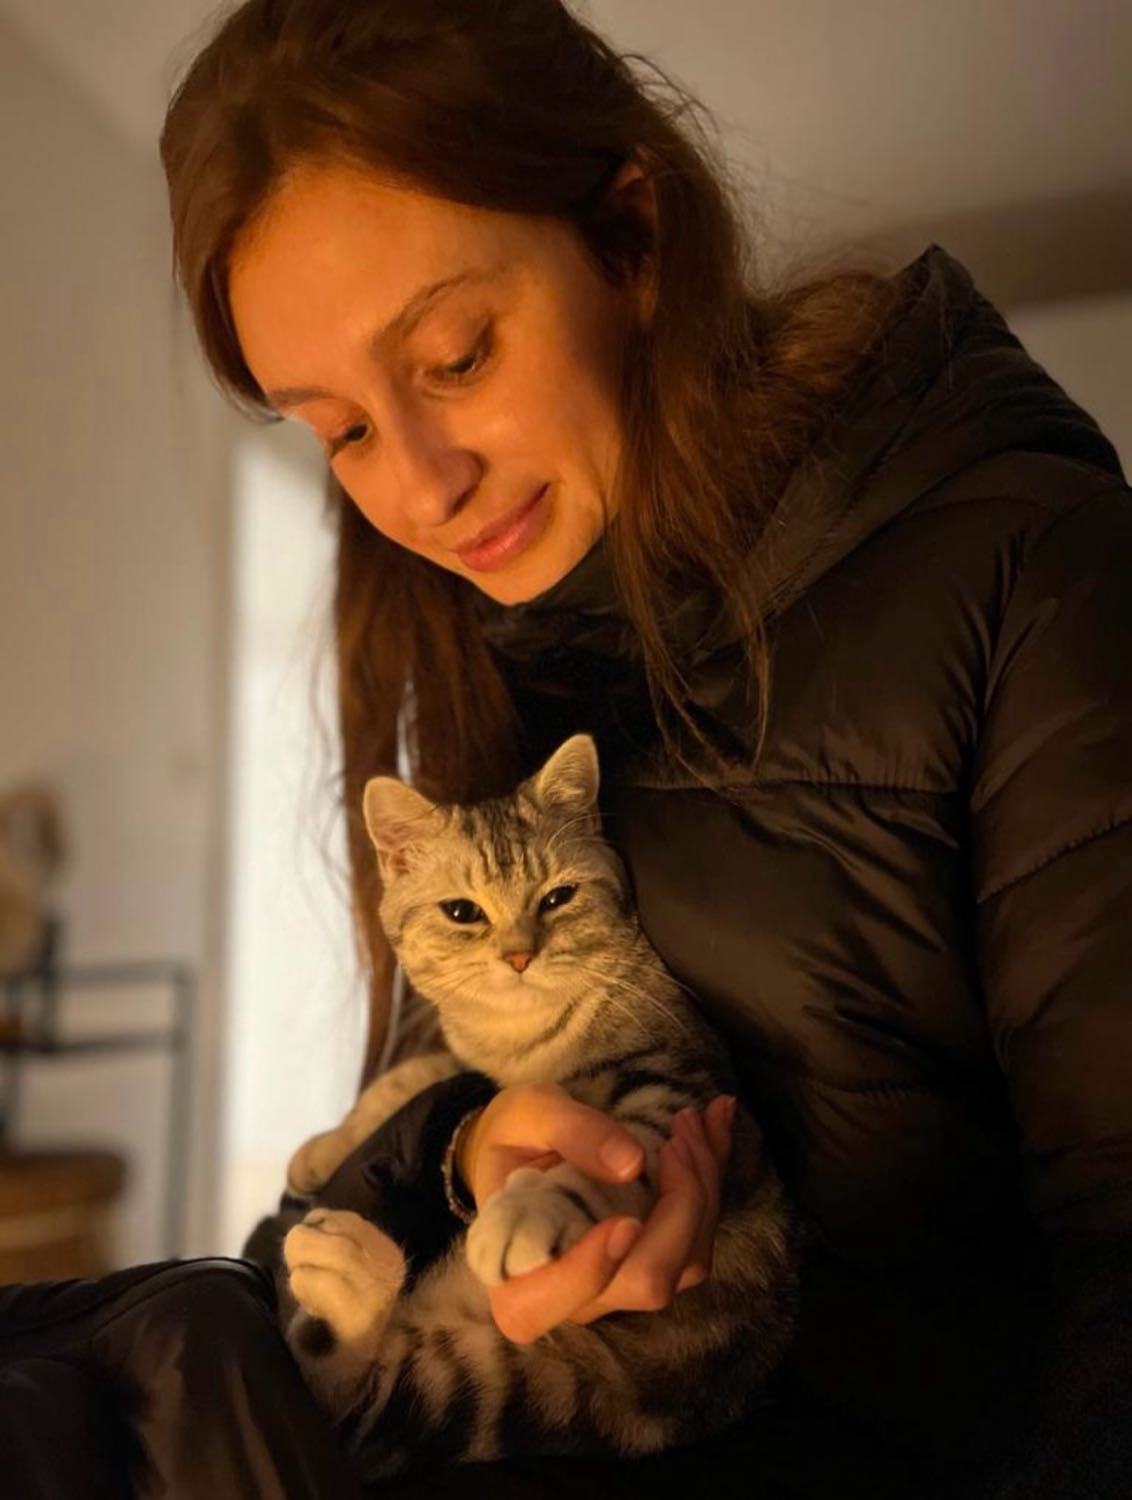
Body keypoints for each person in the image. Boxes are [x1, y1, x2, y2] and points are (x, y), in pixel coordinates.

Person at [2, 1, 1128, 1495]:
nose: (421, 489)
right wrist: (464, 1147)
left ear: (632, 238)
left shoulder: (1033, 570)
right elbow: (307, 1257)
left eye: (456, 355)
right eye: (339, 429)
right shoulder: (489, 649)